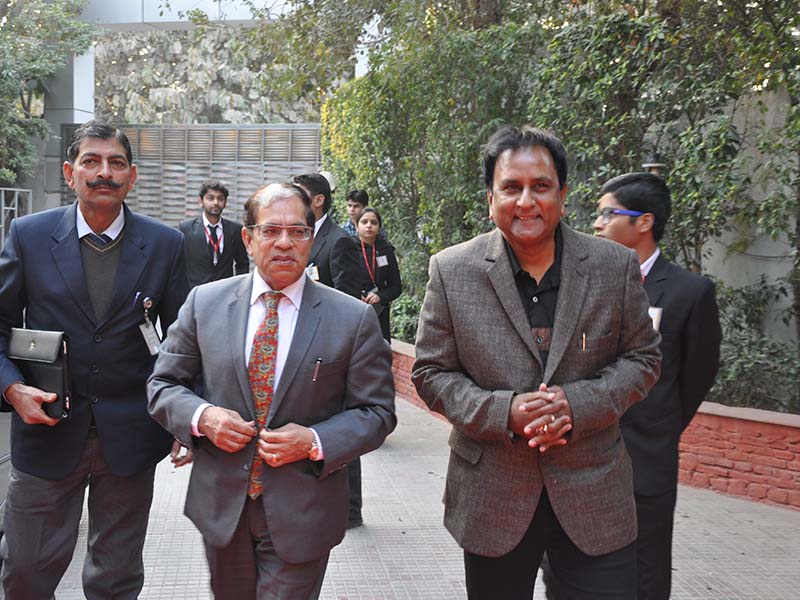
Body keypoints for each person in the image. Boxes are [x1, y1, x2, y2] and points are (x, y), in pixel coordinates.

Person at [411, 125, 662, 600]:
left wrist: (578, 404)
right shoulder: (452, 270)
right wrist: (503, 411)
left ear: (562, 195)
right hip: (492, 495)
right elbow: (430, 373)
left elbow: (643, 358)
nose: (526, 201)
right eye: (511, 187)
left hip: (594, 492)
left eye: (540, 186)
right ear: (491, 199)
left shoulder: (614, 265)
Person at [147, 182, 396, 599]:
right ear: (248, 239)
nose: (284, 242)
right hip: (223, 509)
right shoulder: (204, 303)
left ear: (311, 239)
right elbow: (163, 384)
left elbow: (377, 412)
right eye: (270, 231)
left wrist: (314, 440)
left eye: (297, 231)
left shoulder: (352, 319)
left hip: (305, 509)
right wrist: (204, 417)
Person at [0, 120, 189, 599]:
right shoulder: (28, 235)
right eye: (91, 161)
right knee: (24, 570)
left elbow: (184, 341)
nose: (104, 172)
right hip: (45, 429)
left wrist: (184, 419)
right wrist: (12, 388)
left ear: (132, 176)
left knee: (116, 579)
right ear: (70, 173)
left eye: (116, 163)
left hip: (131, 435)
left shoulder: (165, 244)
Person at [593, 172, 721, 599]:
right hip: (585, 460)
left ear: (644, 221)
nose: (598, 223)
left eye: (608, 214)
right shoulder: (589, 285)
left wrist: (659, 425)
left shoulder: (689, 292)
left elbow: (698, 375)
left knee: (645, 573)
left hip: (647, 460)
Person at [292, 173, 361, 298]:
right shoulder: (291, 235)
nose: (292, 202)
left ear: (318, 200)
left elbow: (346, 299)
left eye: (299, 196)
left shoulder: (340, 242)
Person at [179, 179, 250, 288]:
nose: (216, 203)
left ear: (225, 203)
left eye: (220, 199)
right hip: (196, 291)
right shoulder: (186, 228)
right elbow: (178, 264)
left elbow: (242, 264)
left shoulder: (235, 230)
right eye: (210, 198)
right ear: (201, 201)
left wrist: (239, 288)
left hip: (225, 291)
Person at [356, 207, 402, 342]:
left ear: (379, 227)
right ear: (357, 226)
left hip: (379, 311)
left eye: (373, 222)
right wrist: (355, 295)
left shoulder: (386, 250)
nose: (369, 225)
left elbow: (396, 287)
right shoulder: (348, 249)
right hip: (354, 309)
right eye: (364, 222)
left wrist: (380, 296)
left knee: (380, 349)